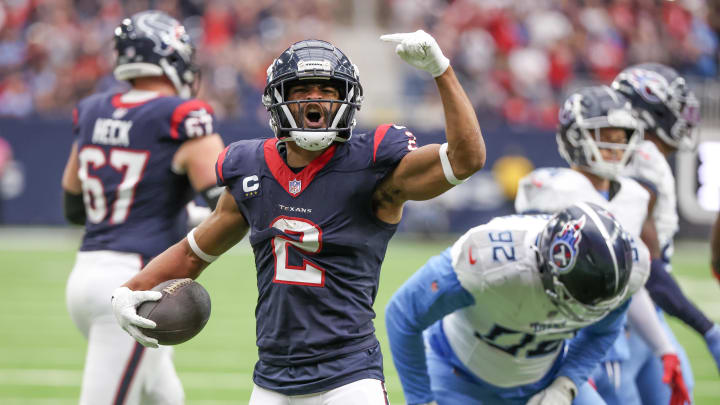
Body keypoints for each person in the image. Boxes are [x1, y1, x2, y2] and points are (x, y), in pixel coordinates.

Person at [111, 30, 486, 404]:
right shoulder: (251, 168)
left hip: (348, 378)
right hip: (272, 380)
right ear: (278, 99)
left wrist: (441, 71)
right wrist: (130, 289)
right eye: (302, 91)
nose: (315, 102)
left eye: (327, 91)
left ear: (347, 99)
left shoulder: (372, 168)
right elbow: (194, 253)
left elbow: (465, 159)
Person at [61, 11, 224, 405]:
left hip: (85, 277)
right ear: (172, 56)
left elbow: (73, 206)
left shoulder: (93, 110)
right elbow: (226, 202)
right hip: (135, 285)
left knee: (163, 396)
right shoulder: (182, 116)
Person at [514, 85, 689, 405]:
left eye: (621, 136)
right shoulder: (549, 188)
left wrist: (664, 346)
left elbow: (631, 282)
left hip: (610, 336)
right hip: (553, 339)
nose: (615, 144)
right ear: (575, 137)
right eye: (604, 134)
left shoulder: (635, 197)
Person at [386, 202, 647, 405]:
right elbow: (403, 314)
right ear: (549, 267)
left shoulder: (628, 272)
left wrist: (565, 384)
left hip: (545, 376)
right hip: (459, 376)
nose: (585, 312)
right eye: (579, 295)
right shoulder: (491, 263)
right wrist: (421, 399)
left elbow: (604, 330)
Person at [612, 63, 720, 399]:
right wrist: (707, 328)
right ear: (646, 114)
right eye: (674, 109)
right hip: (616, 323)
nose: (684, 118)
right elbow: (646, 267)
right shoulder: (638, 159)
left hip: (647, 317)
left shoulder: (649, 159)